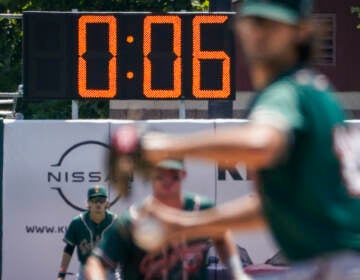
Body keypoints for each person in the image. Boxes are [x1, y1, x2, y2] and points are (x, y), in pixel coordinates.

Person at [113, 0, 360, 278]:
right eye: (252, 22)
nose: (258, 32)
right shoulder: (317, 96)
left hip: (338, 265)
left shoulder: (285, 93)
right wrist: (186, 225)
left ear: (302, 31)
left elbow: (262, 144)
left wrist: (158, 146)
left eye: (271, 24)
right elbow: (270, 208)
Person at [85, 159, 249, 280]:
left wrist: (237, 272)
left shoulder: (201, 209)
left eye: (173, 175)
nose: (167, 181)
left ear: (183, 174)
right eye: (160, 175)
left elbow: (221, 235)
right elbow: (97, 262)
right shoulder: (133, 219)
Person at [56, 185, 117, 280]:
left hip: (110, 271)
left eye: (101, 200)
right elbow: (69, 249)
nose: (98, 204)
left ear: (107, 203)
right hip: (85, 270)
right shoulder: (78, 222)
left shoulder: (115, 222)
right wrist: (61, 274)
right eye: (94, 200)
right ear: (88, 203)